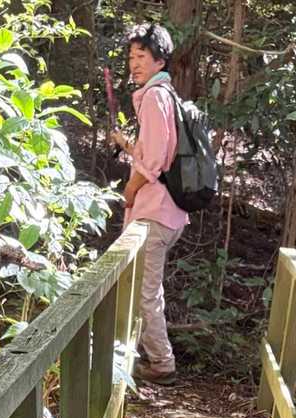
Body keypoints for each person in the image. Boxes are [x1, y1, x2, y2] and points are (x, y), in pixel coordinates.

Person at [111, 22, 188, 385]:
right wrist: (127, 145)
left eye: (142, 56)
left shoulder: (155, 97)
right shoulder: (161, 96)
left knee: (144, 293)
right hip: (167, 212)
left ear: (160, 60)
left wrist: (130, 190)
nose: (135, 63)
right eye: (131, 57)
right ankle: (137, 356)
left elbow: (155, 161)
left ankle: (161, 363)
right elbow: (156, 151)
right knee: (142, 289)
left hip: (155, 212)